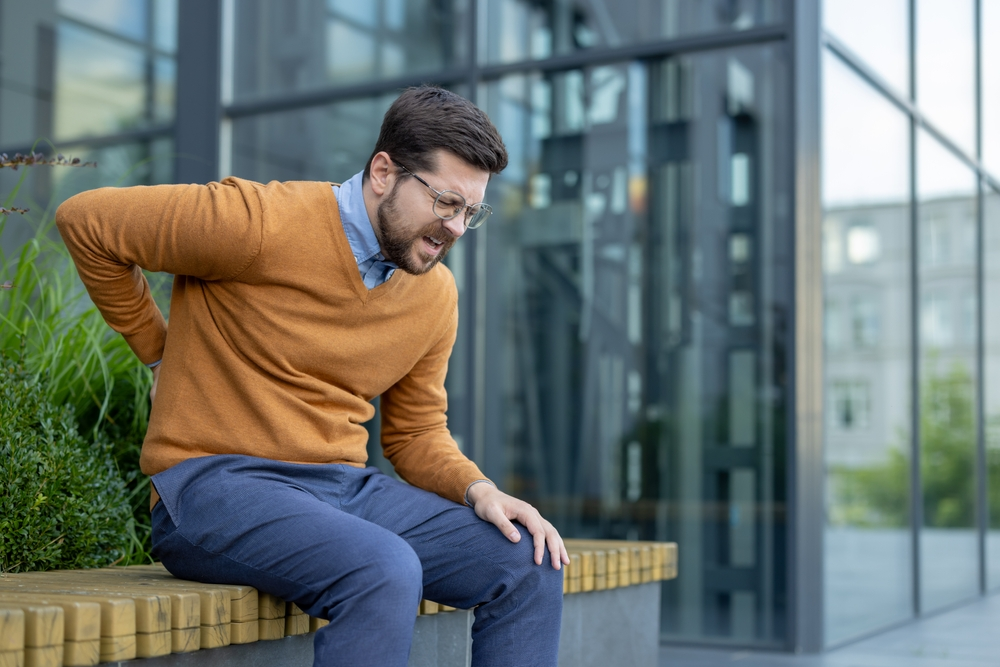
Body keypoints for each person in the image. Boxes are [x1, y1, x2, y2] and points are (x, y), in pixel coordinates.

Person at [56, 86, 568, 667]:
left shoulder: (434, 295)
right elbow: (86, 221)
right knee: (382, 568)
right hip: (211, 485)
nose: (455, 227)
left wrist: (481, 491)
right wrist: (158, 352)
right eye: (446, 202)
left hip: (340, 491)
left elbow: (415, 432)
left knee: (528, 560)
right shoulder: (257, 222)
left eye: (471, 213)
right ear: (383, 172)